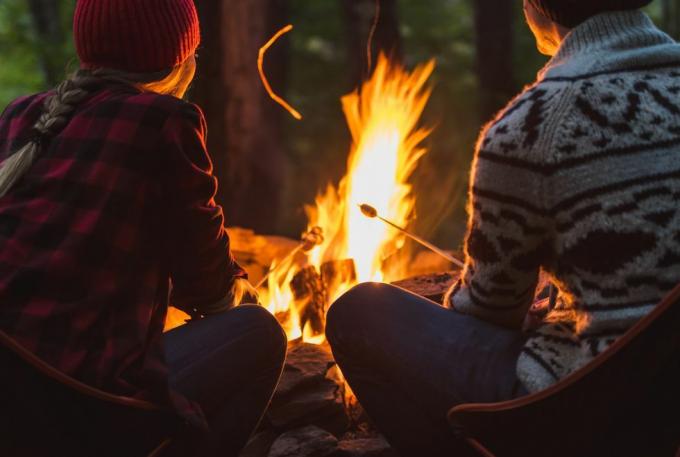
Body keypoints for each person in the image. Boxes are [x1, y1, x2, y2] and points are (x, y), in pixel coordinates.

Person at [326, 1, 680, 455]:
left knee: (361, 312)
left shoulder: (532, 125)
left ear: (536, 6)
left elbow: (490, 310)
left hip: (589, 403)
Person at [0, 1, 286, 455]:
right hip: (81, 404)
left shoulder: (20, 116)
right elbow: (207, 287)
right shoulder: (164, 121)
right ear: (181, 58)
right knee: (259, 333)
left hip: (12, 405)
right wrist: (245, 294)